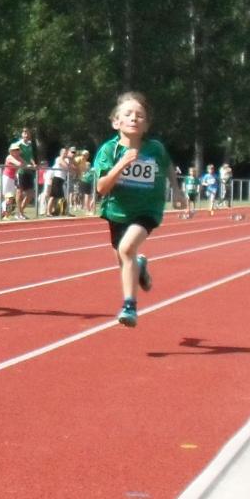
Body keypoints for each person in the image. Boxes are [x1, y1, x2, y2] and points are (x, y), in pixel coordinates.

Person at [92, 91, 183, 328]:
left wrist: (177, 190)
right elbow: (101, 188)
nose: (134, 118)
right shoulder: (109, 151)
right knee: (125, 259)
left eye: (140, 115)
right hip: (117, 212)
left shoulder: (155, 149)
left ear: (146, 125)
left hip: (147, 210)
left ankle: (129, 306)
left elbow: (168, 165)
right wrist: (122, 164)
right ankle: (140, 266)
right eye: (128, 114)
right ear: (116, 122)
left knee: (127, 248)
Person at [13, 127, 37, 219]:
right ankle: (19, 212)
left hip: (29, 171)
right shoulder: (18, 144)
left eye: (28, 133)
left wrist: (33, 164)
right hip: (21, 171)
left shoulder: (30, 145)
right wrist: (25, 164)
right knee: (19, 191)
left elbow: (30, 156)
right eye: (24, 133)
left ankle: (20, 212)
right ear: (22, 134)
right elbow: (16, 156)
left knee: (30, 193)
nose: (26, 135)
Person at [0, 143, 22, 219]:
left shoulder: (18, 157)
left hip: (12, 179)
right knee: (7, 198)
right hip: (6, 178)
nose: (16, 151)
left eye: (17, 150)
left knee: (11, 198)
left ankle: (6, 215)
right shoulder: (9, 157)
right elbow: (19, 164)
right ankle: (2, 212)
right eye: (14, 150)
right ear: (11, 151)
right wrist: (21, 162)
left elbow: (25, 164)